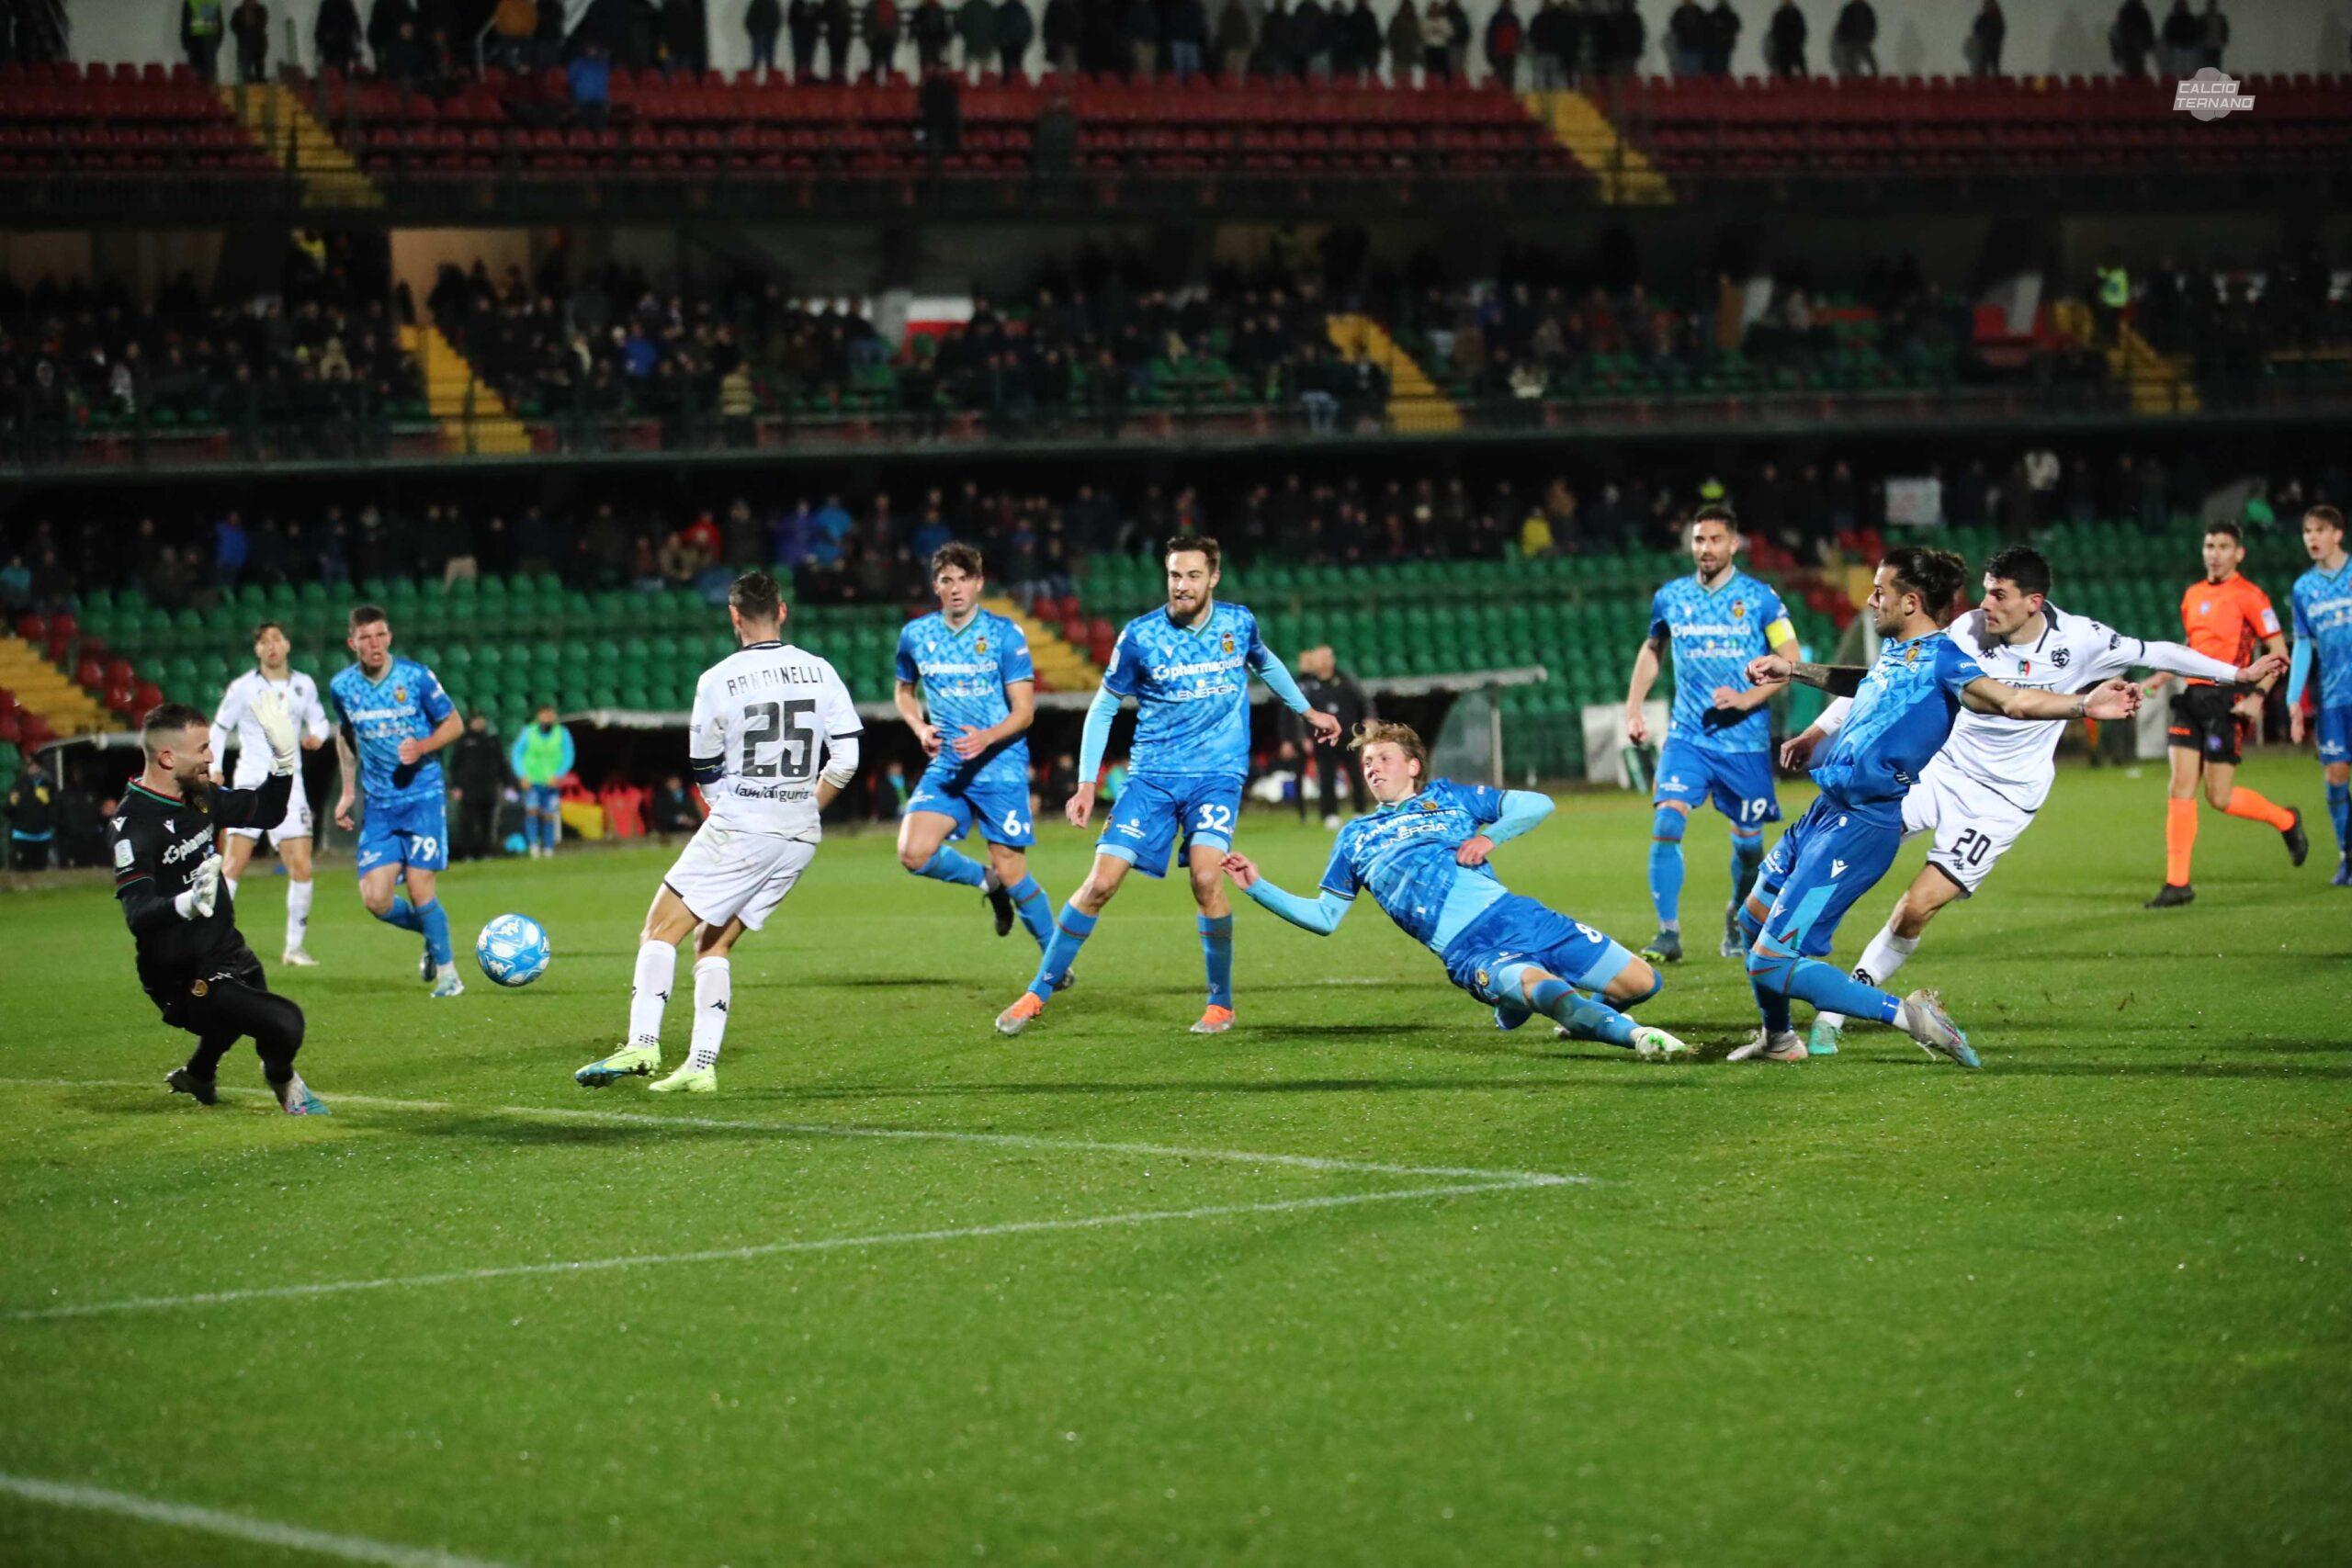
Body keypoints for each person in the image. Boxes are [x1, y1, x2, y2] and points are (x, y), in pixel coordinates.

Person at [1789, 547, 2288, 1055]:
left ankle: (1834, 1010)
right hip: (1940, 774)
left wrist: (2237, 675)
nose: (1986, 604)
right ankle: (1789, 961)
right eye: (1985, 589)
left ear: (2034, 601)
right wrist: (1815, 730)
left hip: (2001, 802)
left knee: (1914, 910)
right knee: (1840, 845)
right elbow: (1881, 686)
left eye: (1999, 594)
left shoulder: (2082, 640)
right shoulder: (1964, 632)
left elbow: (2158, 651)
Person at [1730, 548, 2143, 1066]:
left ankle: (1912, 1018)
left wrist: (2083, 704)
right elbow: (1862, 682)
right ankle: (1780, 1040)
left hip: (1857, 829)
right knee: (1751, 922)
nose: (1870, 599)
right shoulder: (1899, 652)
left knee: (1770, 964)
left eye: (1880, 591)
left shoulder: (1945, 659)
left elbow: (2010, 700)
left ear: (1910, 602)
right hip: (1823, 811)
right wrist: (1793, 670)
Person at [994, 534, 1340, 1037]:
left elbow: (1265, 662)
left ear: (1213, 577)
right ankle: (1037, 992)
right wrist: (1086, 783)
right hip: (1152, 779)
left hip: (1217, 778)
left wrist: (1306, 711)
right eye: (1175, 575)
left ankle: (1220, 1004)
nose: (1182, 585)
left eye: (1193, 575)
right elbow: (1105, 706)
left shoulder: (1238, 624)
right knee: (1101, 883)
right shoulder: (1140, 636)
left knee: (1205, 879)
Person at [1226, 721, 1690, 1059]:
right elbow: (1325, 918)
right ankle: (1635, 1038)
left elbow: (1537, 803)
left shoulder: (1447, 797)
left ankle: (1545, 1012)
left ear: (1413, 765)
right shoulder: (1356, 836)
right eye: (1365, 762)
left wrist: (1489, 837)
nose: (1371, 768)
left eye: (1382, 758)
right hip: (1470, 949)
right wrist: (1256, 886)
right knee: (1552, 995)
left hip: (1519, 915)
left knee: (1643, 982)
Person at [575, 571, 861, 1094]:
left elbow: (705, 770)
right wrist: (800, 808)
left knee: (659, 928)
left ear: (734, 617)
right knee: (714, 943)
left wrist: (741, 813)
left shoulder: (717, 680)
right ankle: (701, 1064)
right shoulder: (820, 671)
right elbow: (847, 759)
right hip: (800, 835)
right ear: (782, 610)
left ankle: (642, 1043)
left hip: (744, 826)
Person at [113, 697, 328, 1115]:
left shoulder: (200, 796)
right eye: (203, 749)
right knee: (285, 1023)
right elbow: (137, 914)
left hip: (225, 948)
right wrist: (187, 903)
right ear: (168, 756)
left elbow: (265, 812)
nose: (212, 757)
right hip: (179, 974)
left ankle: (198, 1074)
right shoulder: (133, 826)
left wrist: (284, 762)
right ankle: (285, 1082)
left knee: (244, 1008)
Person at [1622, 504, 1799, 965]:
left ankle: (1738, 915)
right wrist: (1634, 708)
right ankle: (1667, 933)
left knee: (1748, 847)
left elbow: (1790, 660)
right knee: (1667, 821)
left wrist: (1745, 700)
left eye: (1715, 540)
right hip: (1689, 735)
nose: (1706, 549)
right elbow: (1652, 649)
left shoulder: (1761, 599)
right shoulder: (1671, 597)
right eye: (1699, 540)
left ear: (1733, 544)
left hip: (1744, 742)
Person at [894, 544, 1058, 959]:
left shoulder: (1004, 634)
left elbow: (1024, 713)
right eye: (947, 579)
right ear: (936, 586)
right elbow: (903, 691)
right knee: (913, 853)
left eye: (964, 579)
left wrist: (986, 737)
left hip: (999, 764)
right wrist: (919, 726)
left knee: (1014, 870)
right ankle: (988, 881)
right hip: (949, 763)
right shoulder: (917, 635)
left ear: (979, 583)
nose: (955, 588)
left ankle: (1055, 961)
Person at [2142, 522, 2301, 907]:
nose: (2214, 552)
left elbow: (2279, 651)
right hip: (2192, 697)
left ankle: (2287, 820)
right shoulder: (2193, 594)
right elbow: (2191, 647)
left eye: (2223, 546)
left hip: (2228, 699)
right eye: (2209, 545)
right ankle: (2178, 884)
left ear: (2239, 554)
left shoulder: (2251, 596)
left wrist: (2258, 697)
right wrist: (2161, 677)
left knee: (2220, 796)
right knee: (2179, 786)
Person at [329, 604, 467, 997]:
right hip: (380, 806)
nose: (373, 644)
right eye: (365, 637)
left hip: (422, 796)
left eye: (380, 635)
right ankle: (433, 934)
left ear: (389, 637)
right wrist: (348, 791)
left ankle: (449, 976)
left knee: (422, 890)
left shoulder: (415, 677)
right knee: (375, 900)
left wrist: (422, 746)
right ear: (352, 642)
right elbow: (346, 735)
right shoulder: (342, 687)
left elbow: (453, 723)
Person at [209, 621, 333, 967]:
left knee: (302, 867)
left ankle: (294, 948)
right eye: (264, 642)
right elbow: (219, 728)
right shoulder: (243, 688)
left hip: (290, 784)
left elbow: (320, 720)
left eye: (276, 639)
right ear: (257, 650)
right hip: (250, 781)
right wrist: (215, 767)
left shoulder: (303, 685)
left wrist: (317, 736)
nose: (271, 646)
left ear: (288, 645)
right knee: (234, 863)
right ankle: (214, 941)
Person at [2286, 504, 2351, 886]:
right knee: (2336, 772)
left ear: (2337, 534)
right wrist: (2295, 698)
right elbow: (2304, 645)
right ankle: (2348, 854)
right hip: (2332, 697)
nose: (2312, 537)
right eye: (2307, 531)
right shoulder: (2304, 588)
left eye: (2319, 530)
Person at [1283, 644, 1371, 829]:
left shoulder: (1346, 679)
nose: (1323, 662)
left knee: (1356, 773)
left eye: (1326, 657)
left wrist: (1369, 718)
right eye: (1320, 658)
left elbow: (1364, 700)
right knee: (1326, 776)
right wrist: (1303, 737)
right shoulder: (1308, 685)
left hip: (1349, 735)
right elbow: (1300, 714)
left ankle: (1360, 811)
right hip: (1322, 738)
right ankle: (1329, 814)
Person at [509, 704, 576, 859]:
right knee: (531, 811)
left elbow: (568, 755)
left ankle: (548, 847)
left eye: (550, 714)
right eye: (544, 714)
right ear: (538, 715)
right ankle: (533, 845)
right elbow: (517, 753)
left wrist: (559, 775)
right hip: (532, 780)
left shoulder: (562, 733)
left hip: (552, 781)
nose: (548, 717)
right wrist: (522, 775)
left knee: (548, 815)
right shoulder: (528, 732)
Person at [448, 713, 505, 860]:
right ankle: (468, 853)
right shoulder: (463, 741)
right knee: (468, 821)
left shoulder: (492, 740)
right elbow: (454, 765)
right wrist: (455, 786)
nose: (479, 723)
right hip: (468, 788)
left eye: (481, 720)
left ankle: (486, 852)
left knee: (487, 821)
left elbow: (501, 763)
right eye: (476, 720)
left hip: (488, 787)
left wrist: (507, 782)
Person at [6, 755, 54, 869]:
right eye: (30, 765)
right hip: (22, 836)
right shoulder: (18, 785)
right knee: (20, 871)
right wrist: (12, 802)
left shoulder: (48, 785)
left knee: (40, 872)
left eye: (35, 765)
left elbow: (56, 810)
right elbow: (7, 811)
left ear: (40, 767)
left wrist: (48, 801)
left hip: (43, 837)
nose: (32, 768)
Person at [183, 0, 226, 83]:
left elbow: (219, 20)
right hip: (199, 41)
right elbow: (185, 21)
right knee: (198, 74)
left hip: (205, 41)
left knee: (207, 75)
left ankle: (208, 92)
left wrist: (218, 39)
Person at [1829, 0, 1874, 76]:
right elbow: (1843, 24)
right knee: (1850, 61)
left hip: (1862, 40)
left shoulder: (1866, 9)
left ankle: (1874, 77)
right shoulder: (1849, 9)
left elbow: (1871, 24)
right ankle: (1855, 77)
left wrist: (1869, 36)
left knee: (1869, 60)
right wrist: (1844, 37)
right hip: (1851, 41)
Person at [230, 0, 269, 83]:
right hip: (244, 44)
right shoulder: (238, 11)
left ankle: (260, 85)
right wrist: (242, 32)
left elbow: (263, 23)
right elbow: (233, 26)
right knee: (245, 71)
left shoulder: (261, 10)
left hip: (258, 43)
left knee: (259, 70)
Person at [1966, 0, 2004, 76]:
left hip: (1994, 48)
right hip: (1982, 48)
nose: (1987, 6)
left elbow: (2000, 32)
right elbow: (1976, 31)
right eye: (1986, 5)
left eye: (1989, 4)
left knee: (1994, 68)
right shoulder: (1982, 18)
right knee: (1981, 70)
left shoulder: (1997, 18)